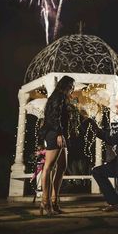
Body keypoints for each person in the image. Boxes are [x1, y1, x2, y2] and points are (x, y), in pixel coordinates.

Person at [39, 75, 75, 216]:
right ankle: (45, 202)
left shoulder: (62, 98)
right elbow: (54, 116)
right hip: (55, 134)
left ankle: (54, 202)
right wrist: (59, 133)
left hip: (60, 134)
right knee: (48, 167)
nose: (73, 88)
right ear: (65, 85)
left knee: (62, 166)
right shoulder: (58, 97)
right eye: (71, 86)